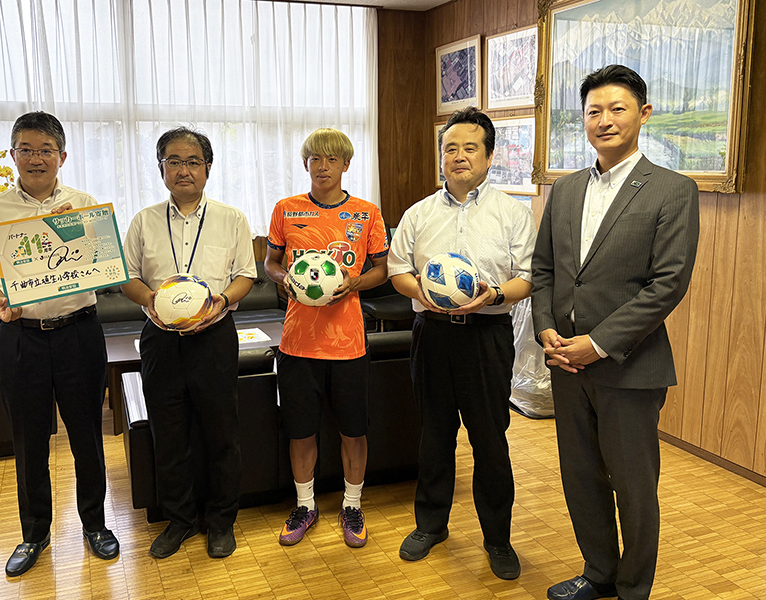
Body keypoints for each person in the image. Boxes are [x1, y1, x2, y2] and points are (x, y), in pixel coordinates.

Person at [531, 65, 699, 600]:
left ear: (643, 114)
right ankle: (598, 572)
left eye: (617, 109)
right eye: (593, 111)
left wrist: (597, 343)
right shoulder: (564, 190)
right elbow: (544, 271)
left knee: (634, 486)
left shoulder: (673, 190)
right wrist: (547, 329)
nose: (604, 120)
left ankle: (633, 587)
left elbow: (668, 283)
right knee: (581, 477)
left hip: (629, 367)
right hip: (566, 363)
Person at [388, 106, 535, 580]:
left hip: (487, 336)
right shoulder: (418, 213)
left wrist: (493, 295)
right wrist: (424, 293)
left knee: (490, 438)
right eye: (450, 148)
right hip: (431, 335)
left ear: (489, 157)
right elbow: (397, 270)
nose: (459, 156)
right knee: (434, 434)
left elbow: (528, 277)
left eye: (470, 148)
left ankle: (498, 539)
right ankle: (430, 525)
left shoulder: (513, 213)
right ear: (441, 157)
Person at [0, 111, 119, 577]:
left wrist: (71, 231)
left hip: (79, 333)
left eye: (46, 150)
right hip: (21, 338)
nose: (36, 159)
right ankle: (34, 533)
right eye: (27, 150)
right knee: (29, 440)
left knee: (87, 436)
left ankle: (95, 524)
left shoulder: (84, 204)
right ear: (13, 155)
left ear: (62, 156)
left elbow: (105, 267)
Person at [121, 127, 256, 559]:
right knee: (168, 432)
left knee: (221, 433)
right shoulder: (143, 220)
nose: (184, 170)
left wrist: (222, 301)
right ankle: (178, 520)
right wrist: (152, 301)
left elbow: (246, 275)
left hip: (214, 337)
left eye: (193, 161)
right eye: (174, 161)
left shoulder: (232, 218)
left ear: (208, 168)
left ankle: (221, 521)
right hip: (160, 339)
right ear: (161, 168)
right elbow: (127, 277)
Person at [264, 128, 388, 549]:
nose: (322, 166)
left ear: (346, 164)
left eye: (332, 159)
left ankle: (352, 505)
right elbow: (270, 261)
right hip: (297, 343)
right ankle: (305, 505)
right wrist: (284, 279)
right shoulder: (287, 209)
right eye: (315, 159)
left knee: (353, 431)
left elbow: (381, 270)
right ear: (306, 164)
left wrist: (355, 282)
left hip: (348, 345)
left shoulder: (366, 213)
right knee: (300, 431)